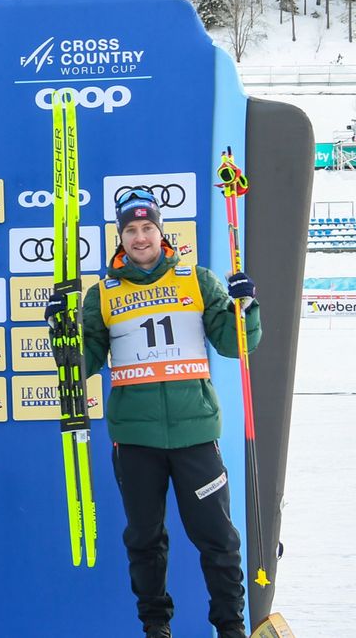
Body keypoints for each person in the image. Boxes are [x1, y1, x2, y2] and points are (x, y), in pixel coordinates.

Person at [45, 189, 261, 638]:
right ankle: (156, 628)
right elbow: (80, 366)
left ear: (162, 232)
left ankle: (231, 628)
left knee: (218, 540)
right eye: (130, 230)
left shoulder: (197, 280)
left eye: (147, 228)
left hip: (195, 434)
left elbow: (236, 343)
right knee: (144, 540)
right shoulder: (102, 293)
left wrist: (246, 307)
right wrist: (60, 334)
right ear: (120, 238)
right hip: (136, 439)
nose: (140, 237)